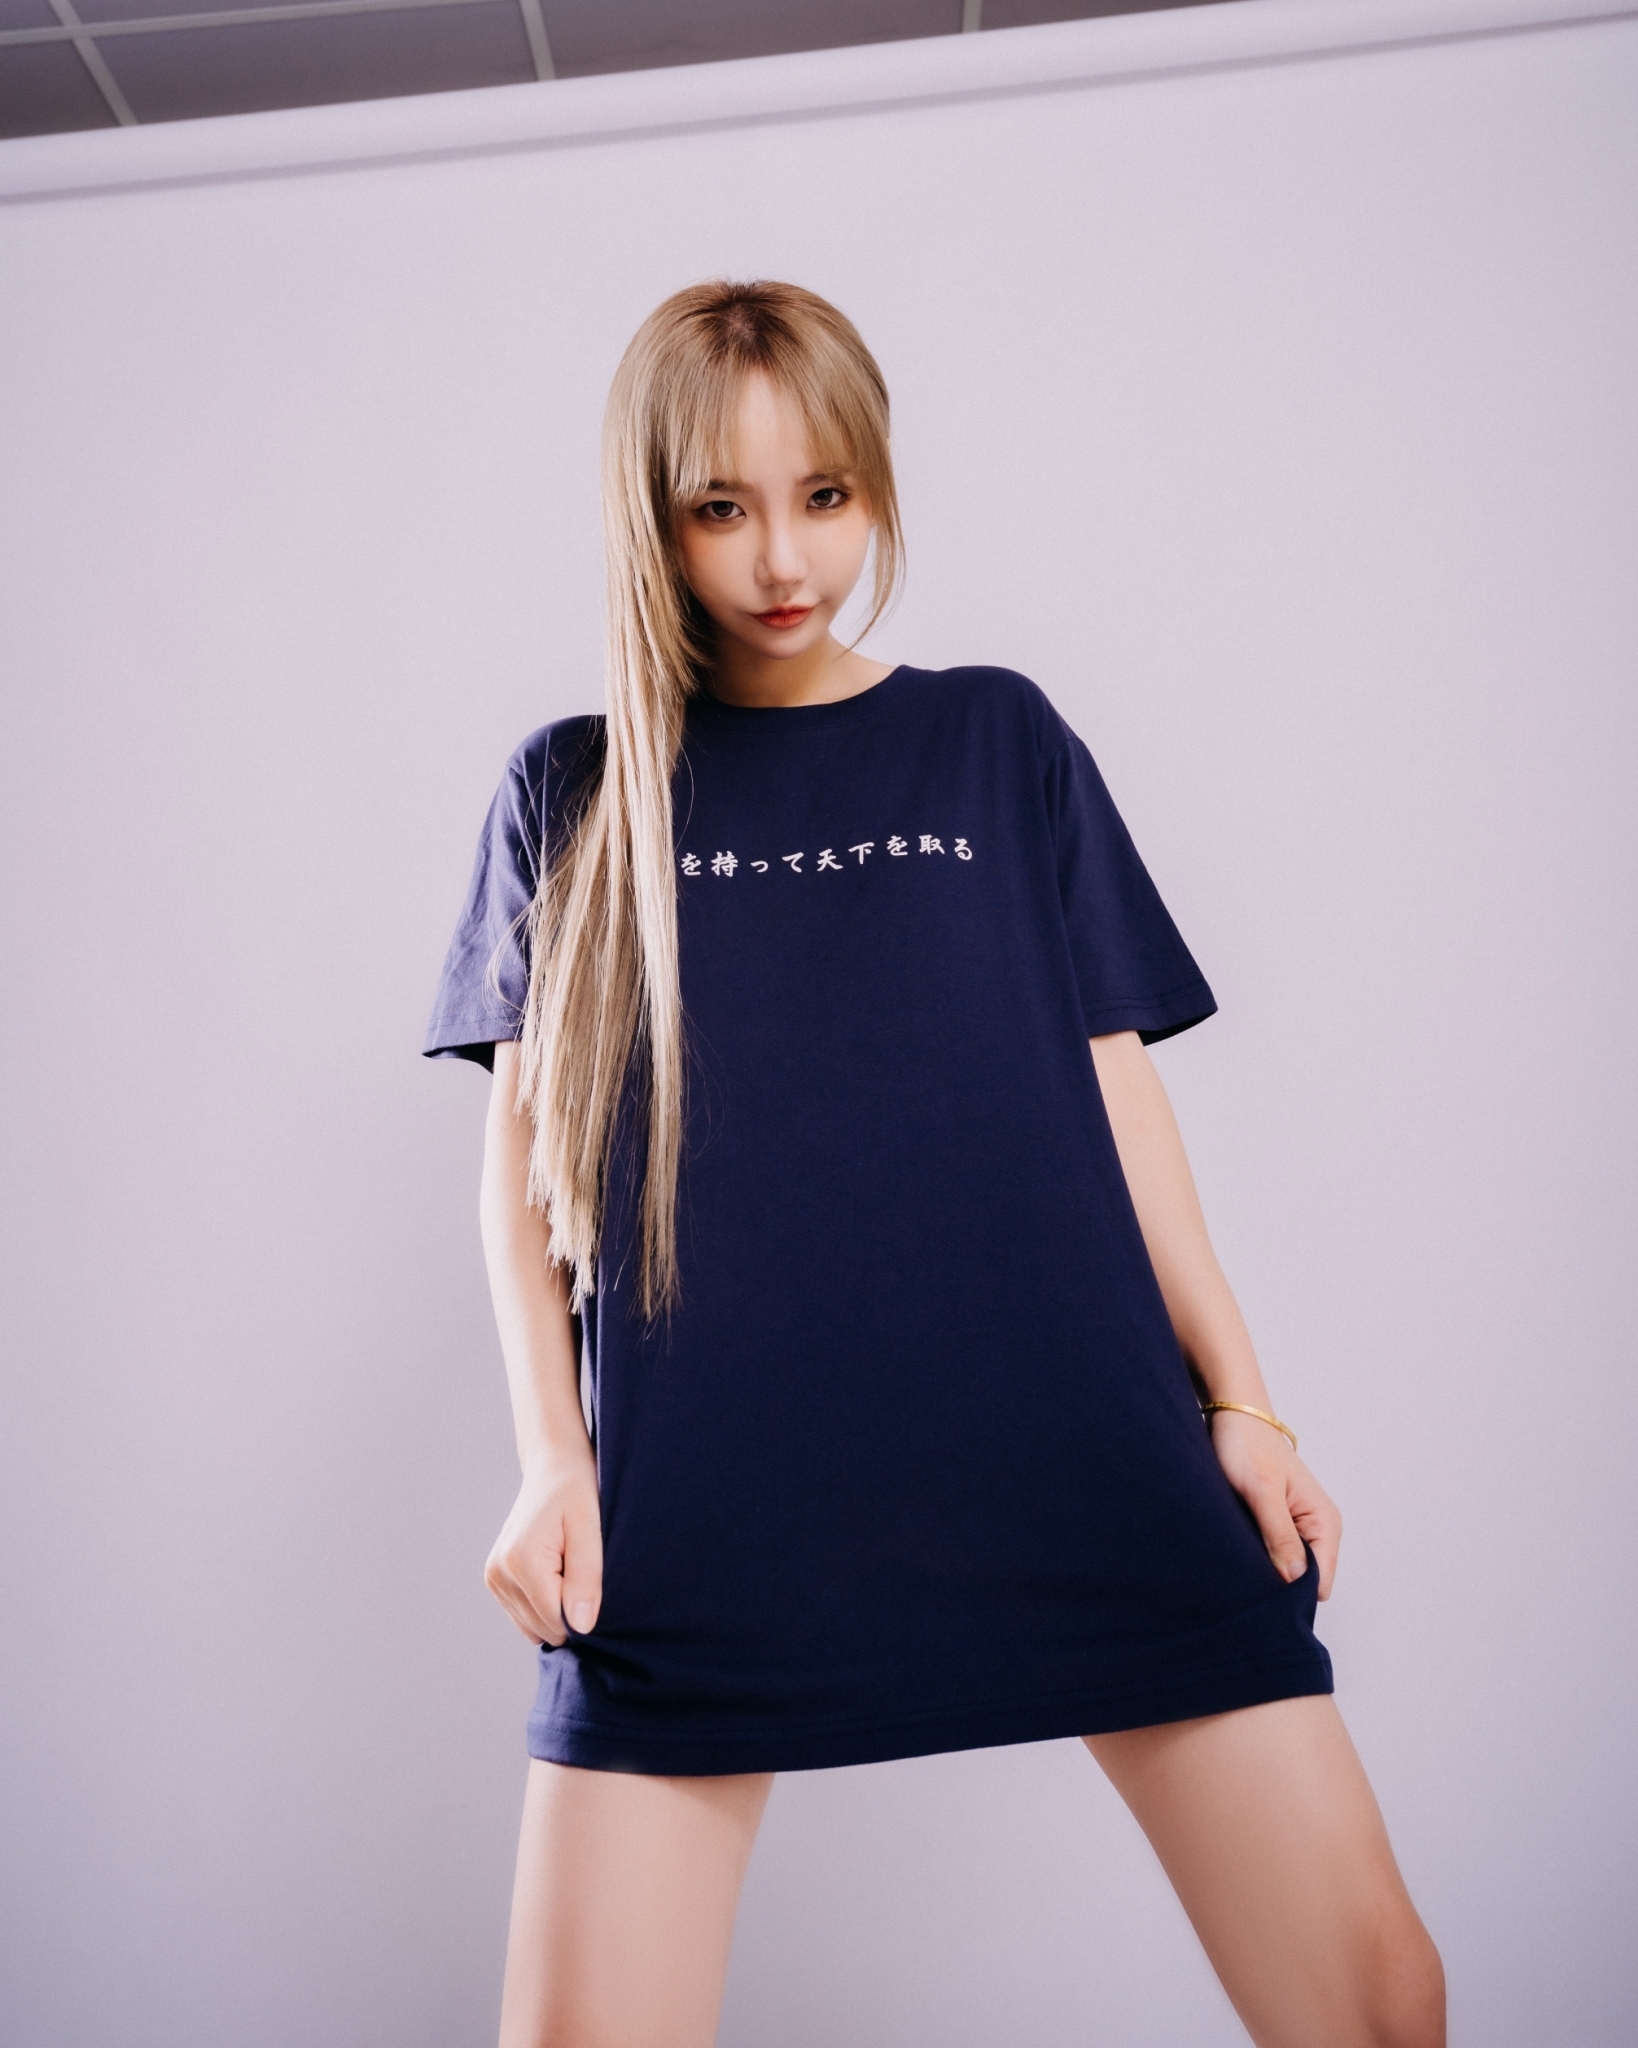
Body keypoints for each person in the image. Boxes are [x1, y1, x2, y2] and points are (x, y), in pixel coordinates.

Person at [425, 280, 1444, 2048]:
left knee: (1376, 1999)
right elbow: (519, 1184)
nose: (781, 558)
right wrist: (548, 1463)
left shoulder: (997, 736)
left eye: (823, 495)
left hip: (1078, 1456)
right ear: (651, 517)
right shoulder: (572, 789)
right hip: (708, 1505)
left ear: (875, 484)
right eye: (721, 507)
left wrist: (1244, 1405)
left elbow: (1120, 1103)